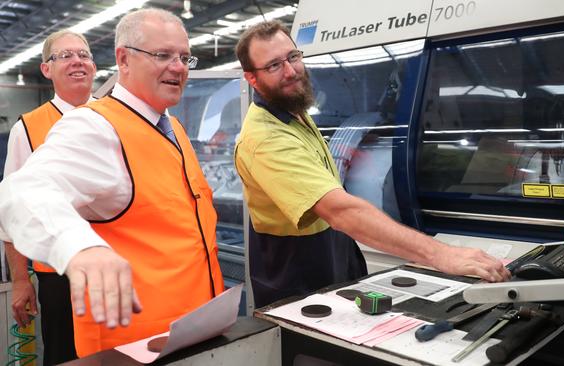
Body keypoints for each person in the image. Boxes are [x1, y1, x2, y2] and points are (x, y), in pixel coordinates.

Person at [234, 21, 510, 307]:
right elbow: (340, 210)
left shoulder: (293, 112)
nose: (291, 71)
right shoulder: (264, 138)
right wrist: (441, 254)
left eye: (293, 57)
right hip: (297, 282)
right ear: (252, 79)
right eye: (274, 66)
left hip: (333, 260)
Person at [0, 8, 224, 356]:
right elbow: (22, 193)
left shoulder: (172, 127)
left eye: (184, 56)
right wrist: (78, 247)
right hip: (133, 348)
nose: (178, 67)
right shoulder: (95, 127)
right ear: (124, 59)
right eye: (162, 55)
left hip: (193, 332)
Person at [2, 29, 96, 365]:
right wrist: (20, 279)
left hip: (120, 262)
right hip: (58, 273)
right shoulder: (27, 129)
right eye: (65, 55)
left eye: (84, 55)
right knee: (66, 355)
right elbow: (12, 213)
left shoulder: (117, 118)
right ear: (46, 70)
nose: (77, 62)